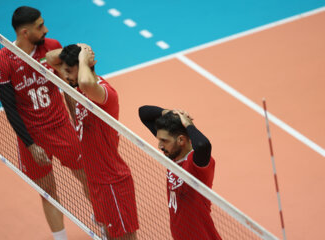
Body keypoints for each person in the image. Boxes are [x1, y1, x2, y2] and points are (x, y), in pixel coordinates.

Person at [0, 6, 90, 240]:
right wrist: (30, 144)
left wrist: (78, 123)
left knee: (87, 177)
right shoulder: (2, 62)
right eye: (39, 26)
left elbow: (68, 86)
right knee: (47, 191)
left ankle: (104, 225)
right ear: (25, 32)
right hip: (32, 135)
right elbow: (10, 109)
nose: (45, 29)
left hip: (61, 128)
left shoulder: (51, 48)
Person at [45, 44, 139, 240]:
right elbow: (50, 57)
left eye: (70, 71)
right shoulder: (77, 87)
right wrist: (80, 49)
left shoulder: (104, 93)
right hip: (95, 180)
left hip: (112, 181)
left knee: (125, 238)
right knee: (110, 235)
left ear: (85, 66)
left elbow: (87, 83)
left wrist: (83, 60)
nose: (65, 75)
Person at [138, 106, 222, 240]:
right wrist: (172, 113)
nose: (160, 146)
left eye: (164, 141)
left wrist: (188, 124)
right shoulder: (172, 155)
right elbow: (143, 113)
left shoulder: (196, 164)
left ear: (181, 140)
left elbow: (203, 145)